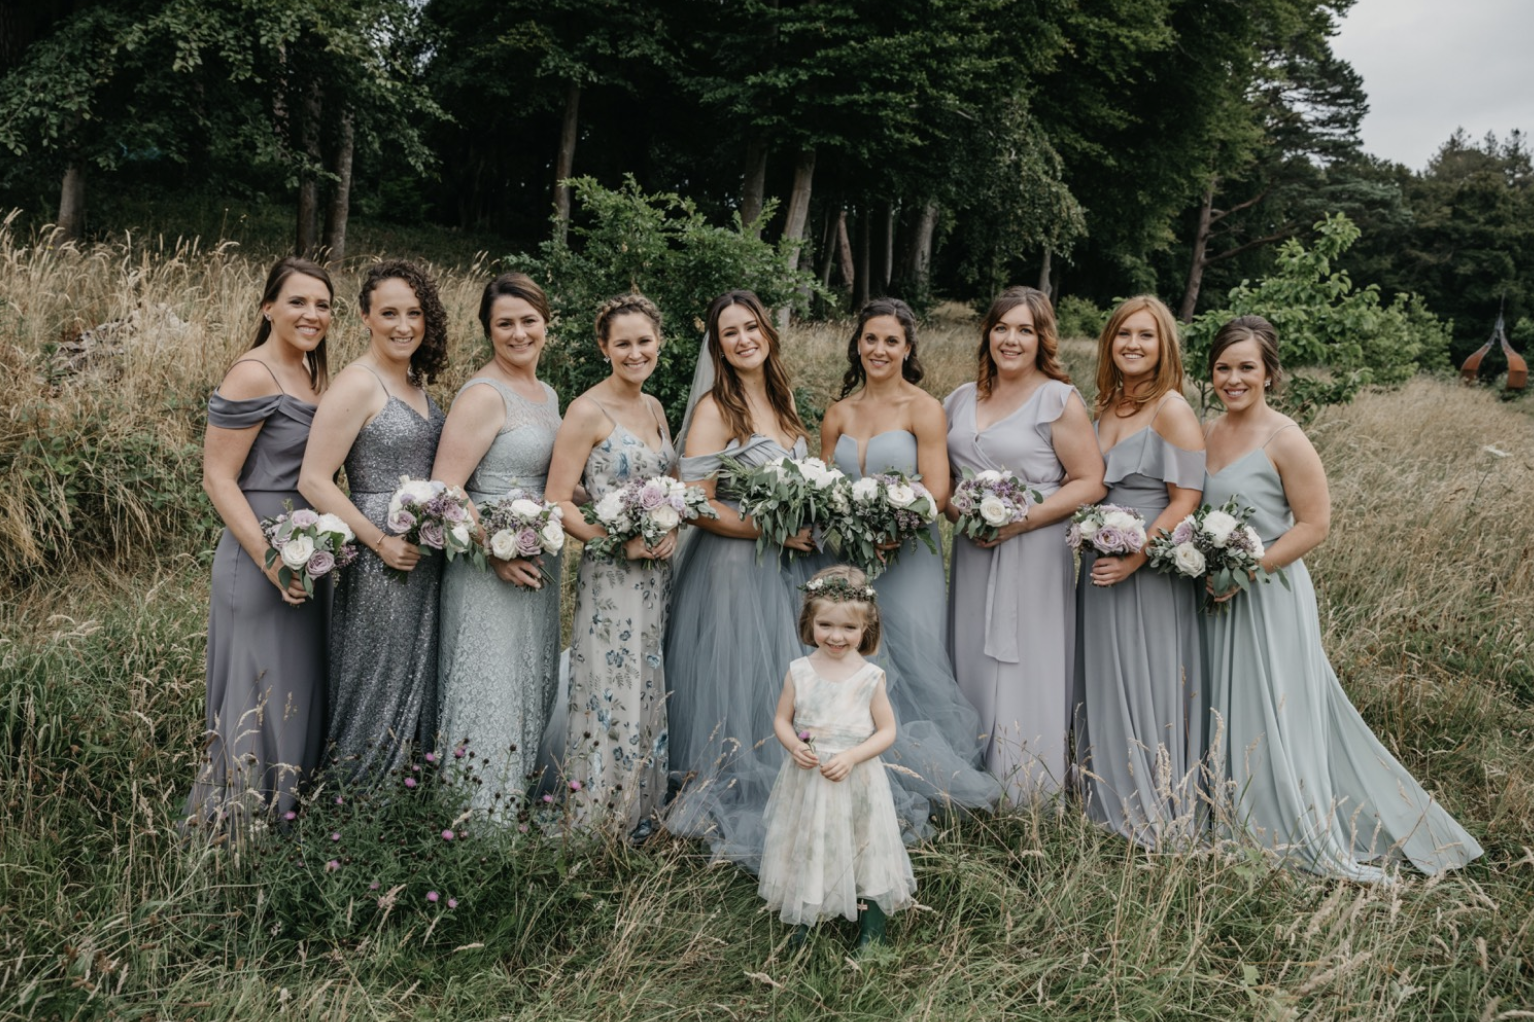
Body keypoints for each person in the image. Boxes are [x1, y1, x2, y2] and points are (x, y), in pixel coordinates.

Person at [1201, 315, 1482, 879]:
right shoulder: (1207, 430)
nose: (1233, 379)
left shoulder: (1285, 437)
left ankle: (1281, 822)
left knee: (1272, 706)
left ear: (1270, 374)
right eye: (1223, 368)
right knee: (1224, 702)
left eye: (1246, 368)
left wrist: (1246, 570)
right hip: (1212, 592)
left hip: (1266, 594)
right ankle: (1221, 807)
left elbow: (1314, 525)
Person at [820, 298, 1001, 828]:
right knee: (856, 664)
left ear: (907, 348)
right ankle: (858, 777)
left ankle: (926, 779)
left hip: (909, 557)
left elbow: (937, 488)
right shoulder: (838, 413)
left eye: (891, 341)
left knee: (915, 662)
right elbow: (828, 487)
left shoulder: (923, 408)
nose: (880, 349)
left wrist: (890, 531)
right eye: (871, 339)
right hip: (848, 561)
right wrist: (852, 534)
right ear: (858, 344)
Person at [663, 289, 818, 865]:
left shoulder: (782, 399)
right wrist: (768, 531)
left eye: (751, 326)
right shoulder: (714, 409)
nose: (744, 338)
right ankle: (730, 786)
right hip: (731, 567)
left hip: (784, 567)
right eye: (730, 332)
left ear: (767, 333)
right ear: (718, 346)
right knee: (736, 681)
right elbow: (696, 502)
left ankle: (788, 781)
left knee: (777, 677)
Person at [185, 256, 334, 830]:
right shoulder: (253, 372)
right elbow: (218, 479)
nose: (311, 314)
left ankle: (287, 815)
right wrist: (270, 558)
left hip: (310, 551)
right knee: (258, 687)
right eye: (297, 301)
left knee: (297, 682)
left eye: (322, 305)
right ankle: (233, 828)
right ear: (267, 307)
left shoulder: (313, 374)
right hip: (259, 553)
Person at [945, 286, 1106, 805]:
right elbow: (943, 480)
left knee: (1025, 660)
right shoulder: (959, 399)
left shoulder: (1058, 399)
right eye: (1001, 328)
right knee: (969, 651)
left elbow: (1089, 481)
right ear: (987, 334)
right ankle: (970, 780)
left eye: (1024, 330)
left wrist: (1021, 520)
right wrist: (961, 515)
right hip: (974, 550)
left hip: (1033, 548)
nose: (1010, 340)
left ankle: (1027, 788)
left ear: (1042, 339)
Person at [299, 260, 449, 782]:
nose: (403, 325)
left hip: (424, 554)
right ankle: (354, 795)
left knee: (416, 666)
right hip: (377, 557)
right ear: (365, 316)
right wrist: (379, 542)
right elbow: (315, 480)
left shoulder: (414, 384)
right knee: (375, 672)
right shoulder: (358, 384)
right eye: (389, 313)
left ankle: (408, 790)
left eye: (414, 313)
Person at [1074, 296, 1206, 847]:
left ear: (1164, 346)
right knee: (1104, 671)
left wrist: (1136, 557)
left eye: (1146, 336)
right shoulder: (1106, 404)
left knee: (1146, 676)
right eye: (1124, 333)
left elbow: (1186, 500)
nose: (1133, 344)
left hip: (1148, 568)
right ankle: (1105, 792)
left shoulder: (1171, 408)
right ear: (1110, 342)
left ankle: (1154, 807)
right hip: (1099, 561)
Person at [431, 273, 562, 818]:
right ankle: (477, 818)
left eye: (528, 321)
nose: (518, 333)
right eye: (504, 324)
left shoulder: (548, 393)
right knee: (491, 682)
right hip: (489, 565)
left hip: (538, 557)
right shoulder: (484, 394)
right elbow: (445, 491)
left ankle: (514, 801)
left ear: (546, 324)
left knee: (528, 676)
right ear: (487, 330)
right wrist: (496, 550)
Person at [547, 294, 678, 839]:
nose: (634, 352)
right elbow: (557, 500)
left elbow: (669, 486)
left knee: (646, 681)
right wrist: (614, 543)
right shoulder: (586, 411)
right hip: (611, 575)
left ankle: (640, 808)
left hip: (658, 576)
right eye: (622, 343)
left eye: (643, 341)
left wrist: (670, 524)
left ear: (658, 344)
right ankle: (599, 818)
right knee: (611, 684)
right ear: (604, 347)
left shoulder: (654, 408)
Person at [758, 565, 915, 951]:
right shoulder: (800, 671)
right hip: (809, 778)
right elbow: (782, 718)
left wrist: (852, 757)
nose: (836, 636)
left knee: (864, 846)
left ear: (866, 630)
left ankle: (871, 933)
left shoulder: (869, 677)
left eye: (848, 628)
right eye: (825, 625)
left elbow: (887, 731)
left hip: (856, 778)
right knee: (810, 843)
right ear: (809, 623)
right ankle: (805, 919)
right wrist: (794, 744)